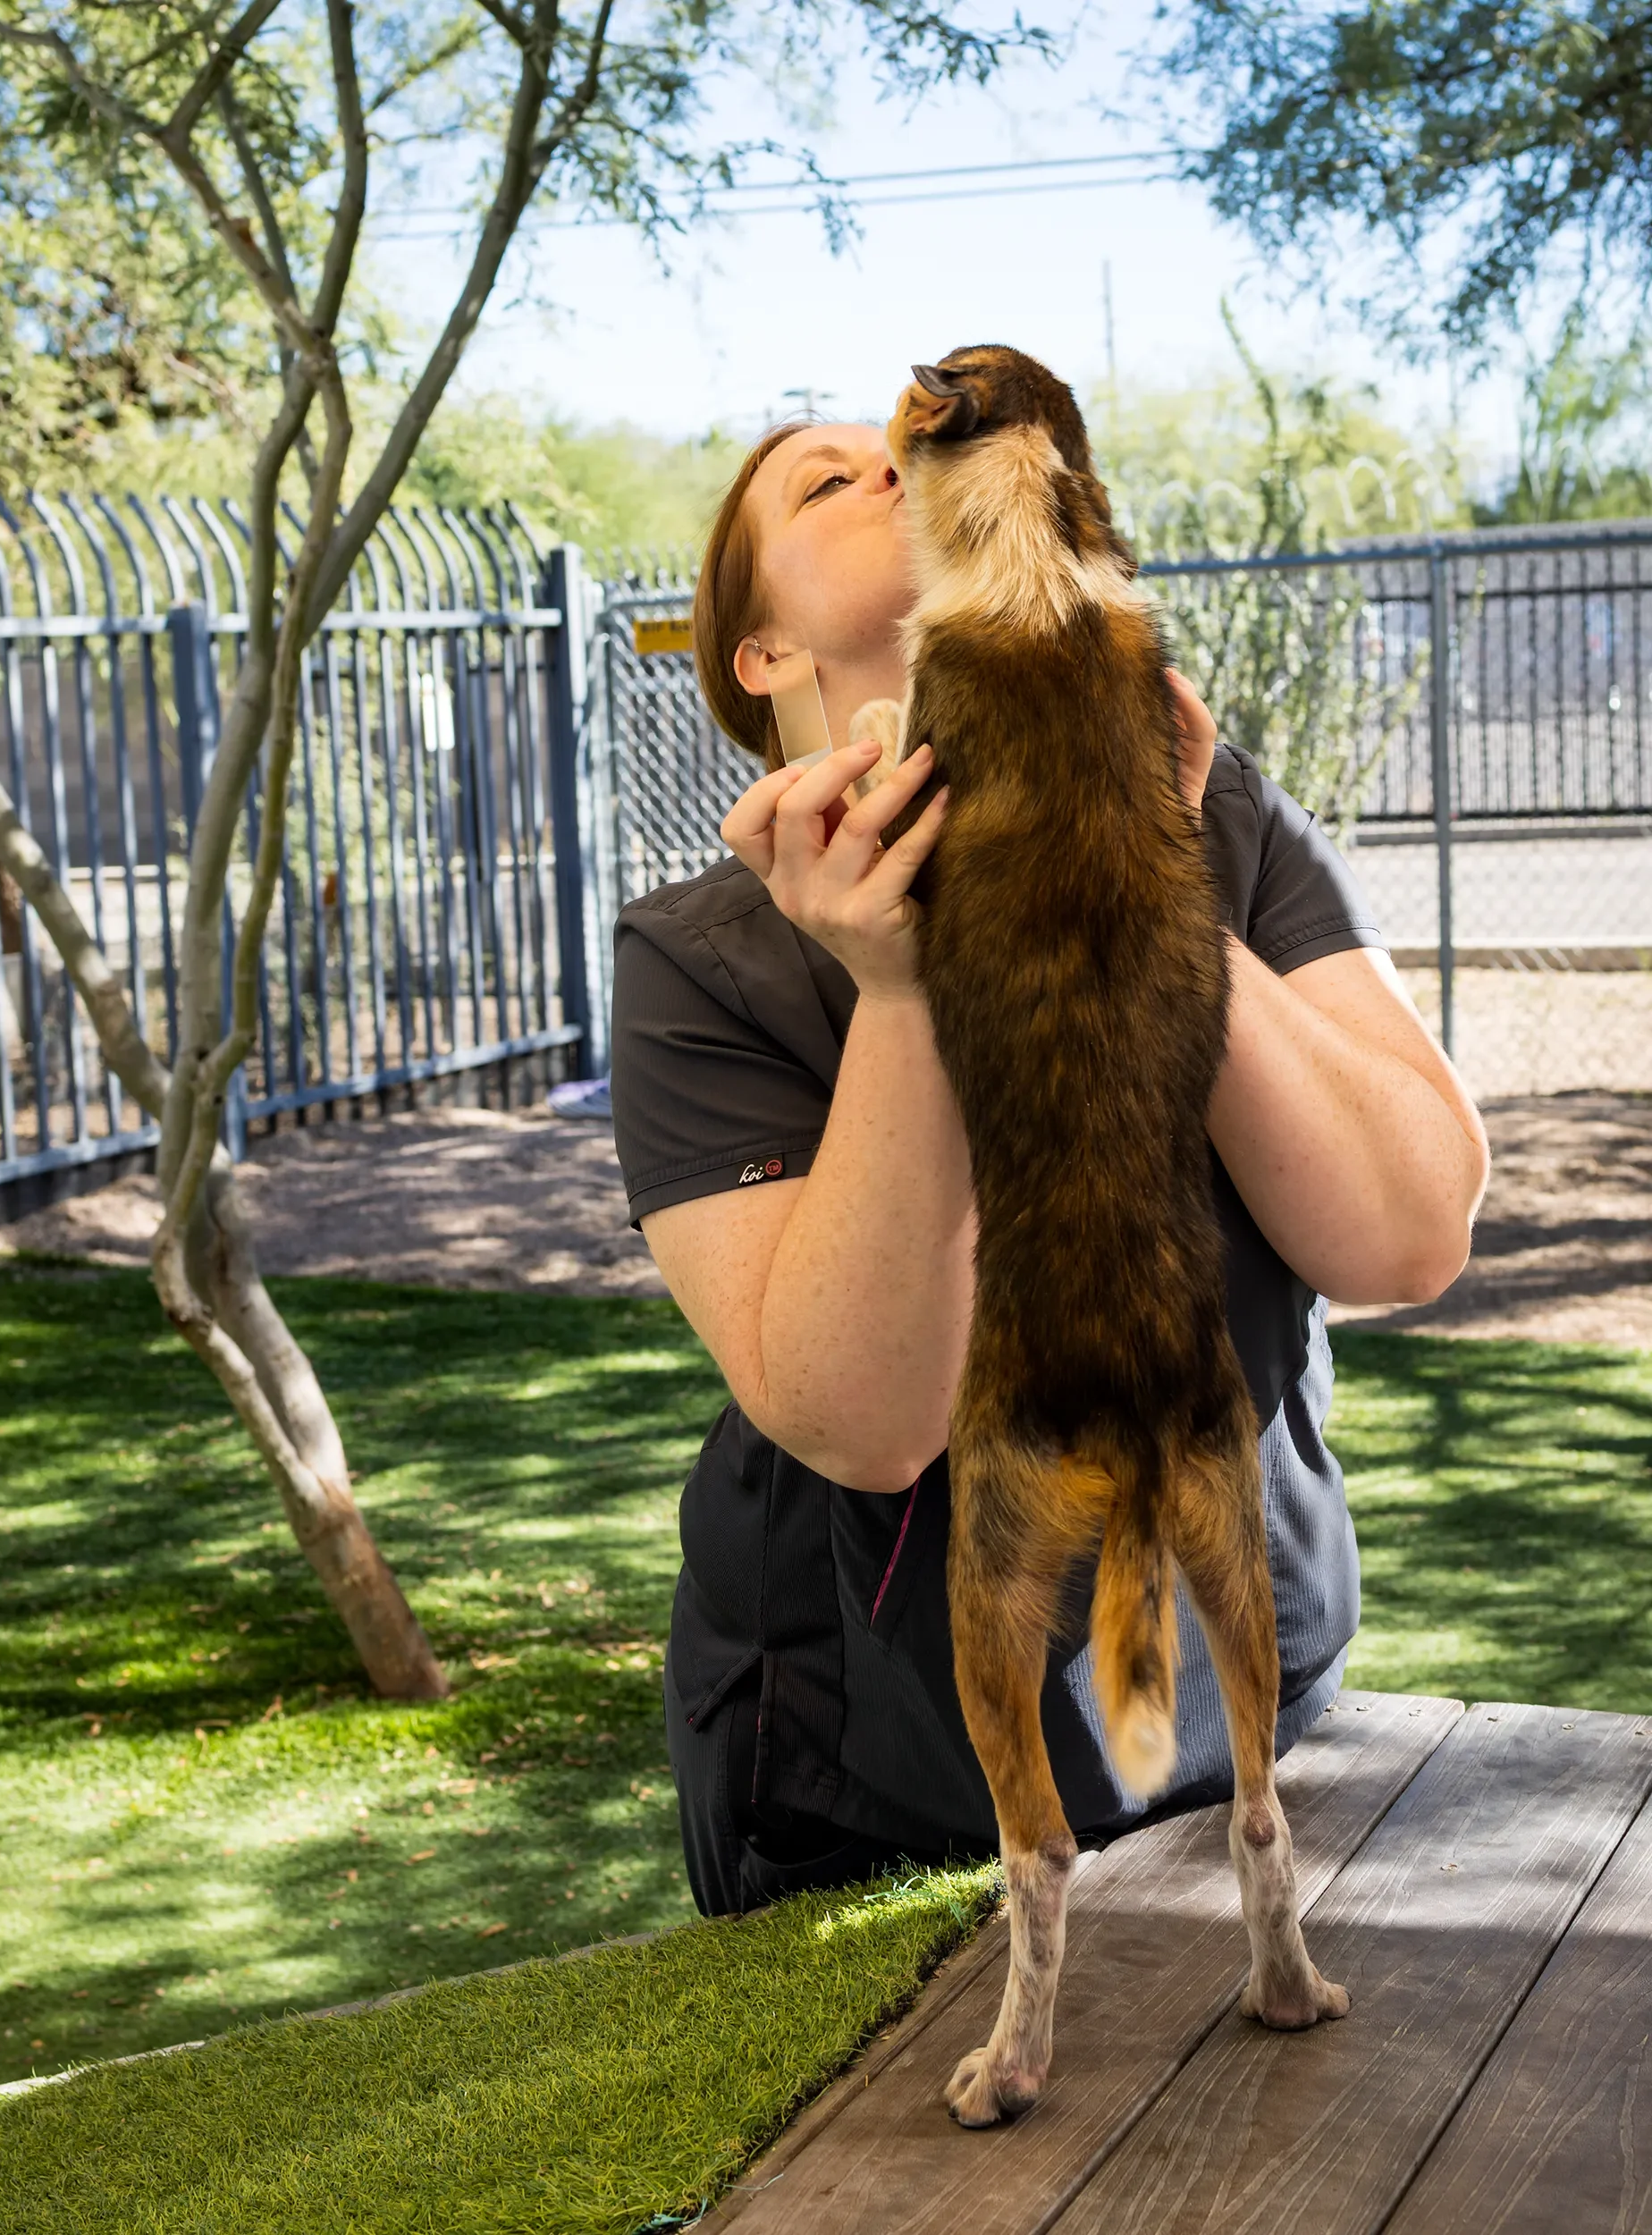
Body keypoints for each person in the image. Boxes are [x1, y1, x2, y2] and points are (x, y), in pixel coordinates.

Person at [611, 419, 1490, 1918]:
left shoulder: (1213, 814)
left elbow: (1410, 1235)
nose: (895, 466)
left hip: (1252, 1717)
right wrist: (906, 991)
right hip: (882, 1792)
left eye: (904, 455)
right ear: (758, 653)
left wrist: (1130, 868)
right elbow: (866, 1425)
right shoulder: (704, 963)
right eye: (828, 481)